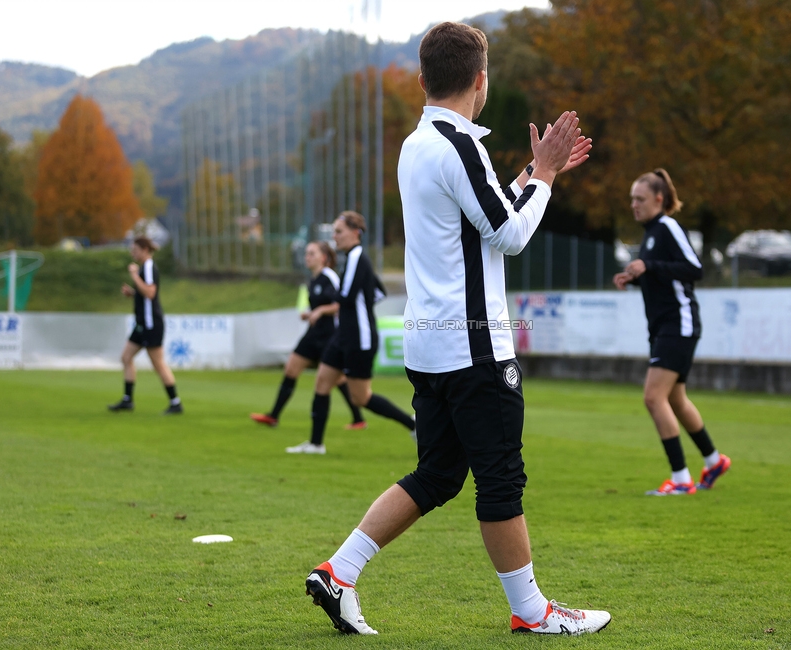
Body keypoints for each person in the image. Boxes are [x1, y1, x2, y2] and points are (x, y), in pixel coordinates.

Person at [301, 22, 609, 637]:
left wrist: (532, 175)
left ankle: (340, 571)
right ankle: (532, 613)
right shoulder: (461, 145)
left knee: (438, 474)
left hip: (430, 343)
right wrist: (544, 175)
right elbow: (510, 235)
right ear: (481, 80)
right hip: (474, 345)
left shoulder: (419, 143)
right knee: (499, 478)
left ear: (422, 80)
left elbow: (479, 218)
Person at [612, 169, 731, 495]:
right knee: (675, 399)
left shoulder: (666, 227)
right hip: (665, 326)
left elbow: (695, 269)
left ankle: (680, 479)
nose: (634, 205)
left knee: (654, 397)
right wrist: (634, 276)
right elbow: (663, 277)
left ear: (659, 199)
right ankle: (714, 461)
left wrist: (649, 266)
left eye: (641, 199)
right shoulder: (650, 234)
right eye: (632, 200)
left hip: (678, 324)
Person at [284, 211, 415, 455]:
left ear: (356, 233)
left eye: (339, 231)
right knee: (322, 381)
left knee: (361, 398)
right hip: (343, 336)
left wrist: (324, 302)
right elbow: (377, 292)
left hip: (359, 338)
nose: (334, 236)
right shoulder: (353, 258)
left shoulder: (356, 256)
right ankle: (315, 444)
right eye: (334, 231)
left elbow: (345, 295)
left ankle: (413, 424)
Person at [249, 241, 365, 430]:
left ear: (323, 258)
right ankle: (274, 416)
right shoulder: (312, 280)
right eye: (306, 253)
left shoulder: (330, 277)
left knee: (337, 378)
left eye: (311, 253)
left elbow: (339, 305)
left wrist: (319, 311)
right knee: (291, 369)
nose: (307, 257)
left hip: (330, 335)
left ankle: (358, 419)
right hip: (313, 334)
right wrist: (310, 313)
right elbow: (317, 307)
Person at [108, 237, 183, 415]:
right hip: (142, 323)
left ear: (143, 249)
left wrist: (134, 275)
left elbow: (150, 292)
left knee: (158, 363)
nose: (132, 253)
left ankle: (176, 402)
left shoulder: (148, 266)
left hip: (151, 324)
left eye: (134, 249)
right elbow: (145, 293)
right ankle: (127, 400)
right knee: (126, 357)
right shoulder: (144, 267)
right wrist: (133, 293)